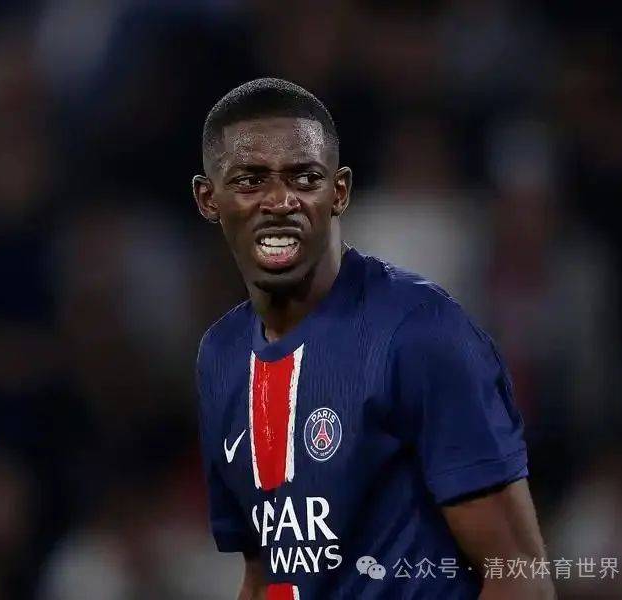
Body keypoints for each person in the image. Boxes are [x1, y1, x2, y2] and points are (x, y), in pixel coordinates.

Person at [192, 78, 554, 599]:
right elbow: (267, 573)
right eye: (250, 180)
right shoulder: (221, 356)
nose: (280, 201)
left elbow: (519, 576)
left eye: (304, 177)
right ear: (208, 199)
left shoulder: (419, 332)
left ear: (339, 192)